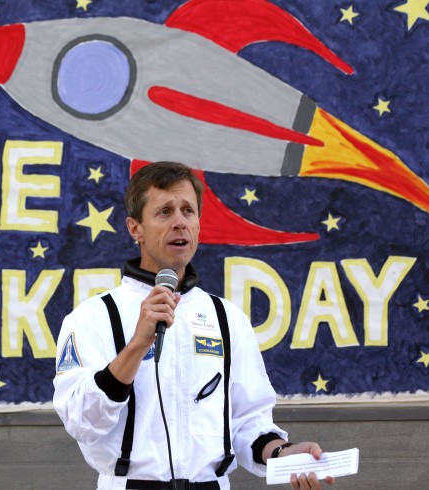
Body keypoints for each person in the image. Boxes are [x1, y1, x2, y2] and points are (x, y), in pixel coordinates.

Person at [53, 161, 336, 490]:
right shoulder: (92, 317)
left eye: (188, 211)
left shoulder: (226, 318)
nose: (179, 223)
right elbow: (81, 421)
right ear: (135, 228)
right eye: (164, 212)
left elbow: (248, 422)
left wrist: (283, 452)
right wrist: (136, 346)